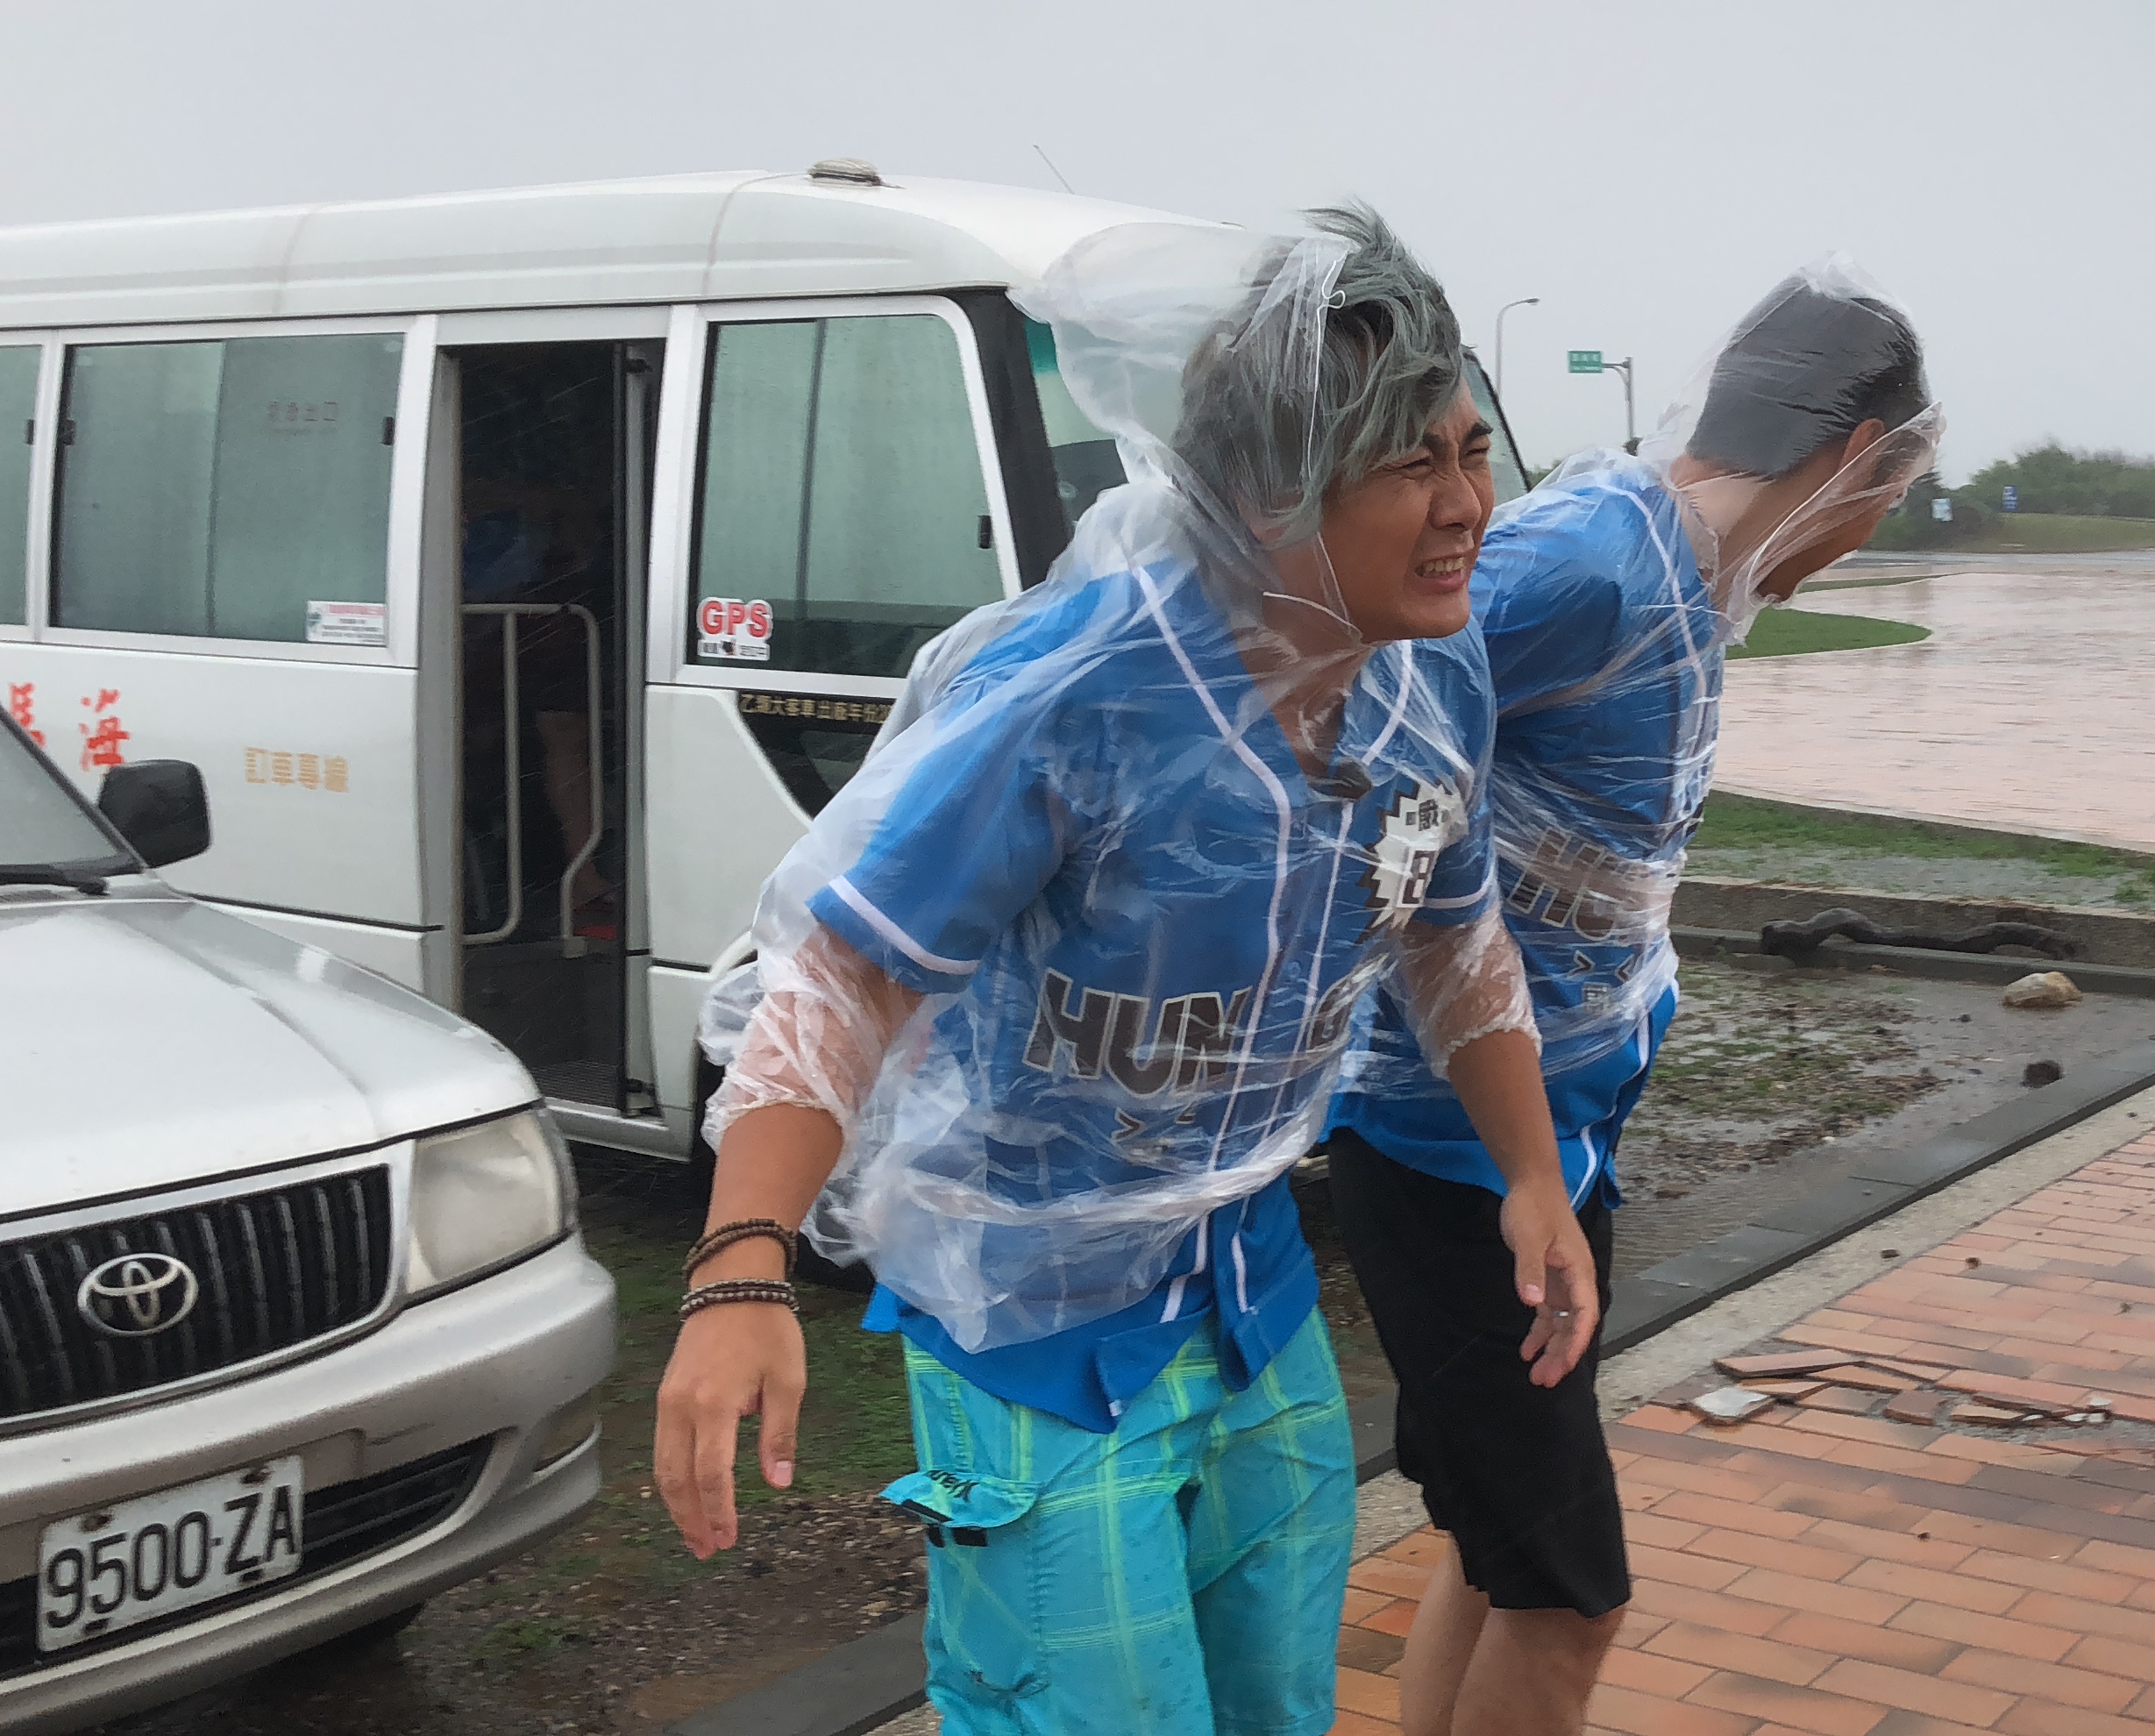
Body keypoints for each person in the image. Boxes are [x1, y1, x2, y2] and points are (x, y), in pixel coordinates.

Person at [654, 207, 1601, 1736]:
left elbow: (1453, 932)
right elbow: (837, 988)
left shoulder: (1428, 681)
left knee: (1274, 1707)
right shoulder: (1083, 701)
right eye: (1407, 463)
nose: (1465, 505)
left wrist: (1532, 1174)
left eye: (1470, 448)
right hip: (1028, 1323)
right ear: (1266, 493)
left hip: (1249, 1293)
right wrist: (739, 1267)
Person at [1326, 264, 1939, 1736]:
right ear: (1856, 455)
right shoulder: (1590, 563)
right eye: (1886, 504)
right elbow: (1360, 708)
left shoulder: (1676, 583)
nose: (1860, 544)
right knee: (1572, 1597)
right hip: (1453, 1152)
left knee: (1497, 1551)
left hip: (1548, 1147)